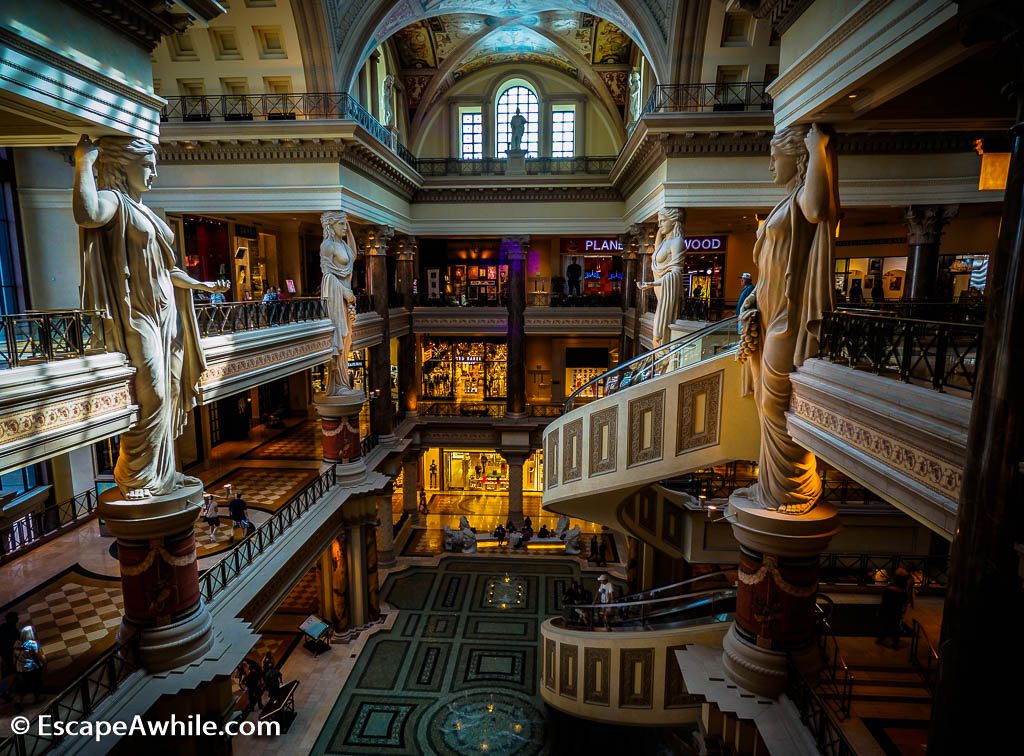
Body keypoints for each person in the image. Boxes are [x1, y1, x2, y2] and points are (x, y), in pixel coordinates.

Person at [73, 135, 228, 501]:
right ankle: (138, 476)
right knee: (154, 392)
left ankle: (164, 472)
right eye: (147, 165)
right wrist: (84, 163)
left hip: (167, 313)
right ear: (123, 167)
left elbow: (168, 269)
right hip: (137, 312)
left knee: (170, 390)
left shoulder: (146, 212)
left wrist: (201, 285)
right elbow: (86, 213)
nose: (155, 172)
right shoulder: (115, 201)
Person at [737, 123, 838, 515]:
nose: (769, 167)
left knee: (778, 403)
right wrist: (751, 304)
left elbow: (817, 209)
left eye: (774, 158)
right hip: (768, 311)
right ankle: (772, 486)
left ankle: (795, 489)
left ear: (794, 158)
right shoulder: (785, 201)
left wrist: (819, 151)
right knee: (767, 402)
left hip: (787, 316)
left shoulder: (802, 199)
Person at [320, 211, 359, 395]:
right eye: (341, 224)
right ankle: (338, 385)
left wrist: (348, 227)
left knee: (347, 337)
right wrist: (343, 291)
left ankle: (343, 383)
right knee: (341, 337)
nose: (345, 228)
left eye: (345, 224)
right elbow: (327, 276)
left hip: (346, 298)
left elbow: (354, 254)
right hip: (337, 297)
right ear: (331, 225)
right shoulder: (327, 245)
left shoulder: (343, 243)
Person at [639, 208, 686, 347]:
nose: (660, 225)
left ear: (673, 221)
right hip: (661, 292)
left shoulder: (677, 242)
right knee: (657, 328)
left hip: (667, 291)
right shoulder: (665, 242)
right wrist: (661, 230)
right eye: (659, 221)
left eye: (663, 221)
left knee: (661, 331)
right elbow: (656, 250)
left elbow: (676, 273)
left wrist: (653, 283)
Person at [877, 567, 914, 649]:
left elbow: (884, 600)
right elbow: (903, 602)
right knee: (895, 626)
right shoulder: (902, 592)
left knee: (886, 624)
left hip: (886, 609)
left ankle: (881, 639)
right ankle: (895, 642)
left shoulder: (889, 589)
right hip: (895, 611)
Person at [14, 626, 45, 705]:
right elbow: (38, 656)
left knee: (25, 684)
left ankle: (19, 701)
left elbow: (14, 657)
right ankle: (37, 698)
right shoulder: (33, 643)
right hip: (32, 667)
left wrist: (16, 667)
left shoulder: (17, 642)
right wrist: (44, 663)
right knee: (37, 683)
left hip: (21, 668)